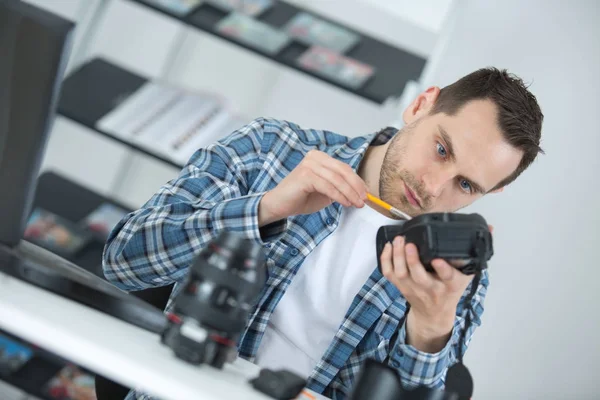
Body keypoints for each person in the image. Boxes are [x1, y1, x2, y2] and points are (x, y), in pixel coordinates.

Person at [103, 67, 544, 400]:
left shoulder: (457, 273)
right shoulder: (269, 148)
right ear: (420, 105)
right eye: (441, 149)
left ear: (493, 192)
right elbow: (122, 261)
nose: (432, 186)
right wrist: (266, 209)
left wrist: (431, 327)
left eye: (466, 185)